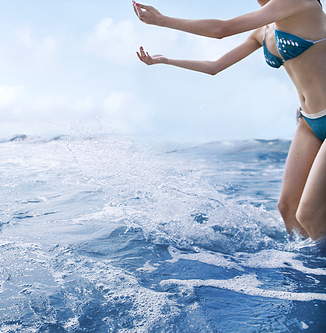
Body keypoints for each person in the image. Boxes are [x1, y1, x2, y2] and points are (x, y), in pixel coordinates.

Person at [133, 0, 326, 242]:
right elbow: (215, 66)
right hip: (308, 122)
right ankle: (305, 269)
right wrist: (167, 60)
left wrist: (163, 20)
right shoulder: (263, 30)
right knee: (287, 209)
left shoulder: (298, 2)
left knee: (308, 214)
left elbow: (220, 30)